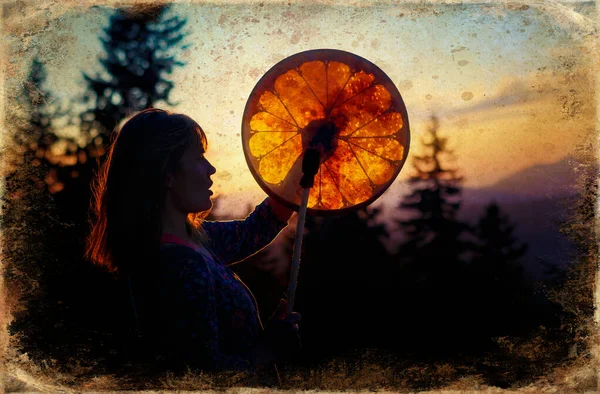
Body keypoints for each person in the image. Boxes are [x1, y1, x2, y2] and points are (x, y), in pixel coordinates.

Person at [85, 108, 301, 373]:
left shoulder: (196, 240)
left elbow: (256, 228)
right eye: (199, 157)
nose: (210, 169)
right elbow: (201, 377)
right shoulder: (178, 263)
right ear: (168, 174)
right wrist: (268, 350)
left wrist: (307, 158)